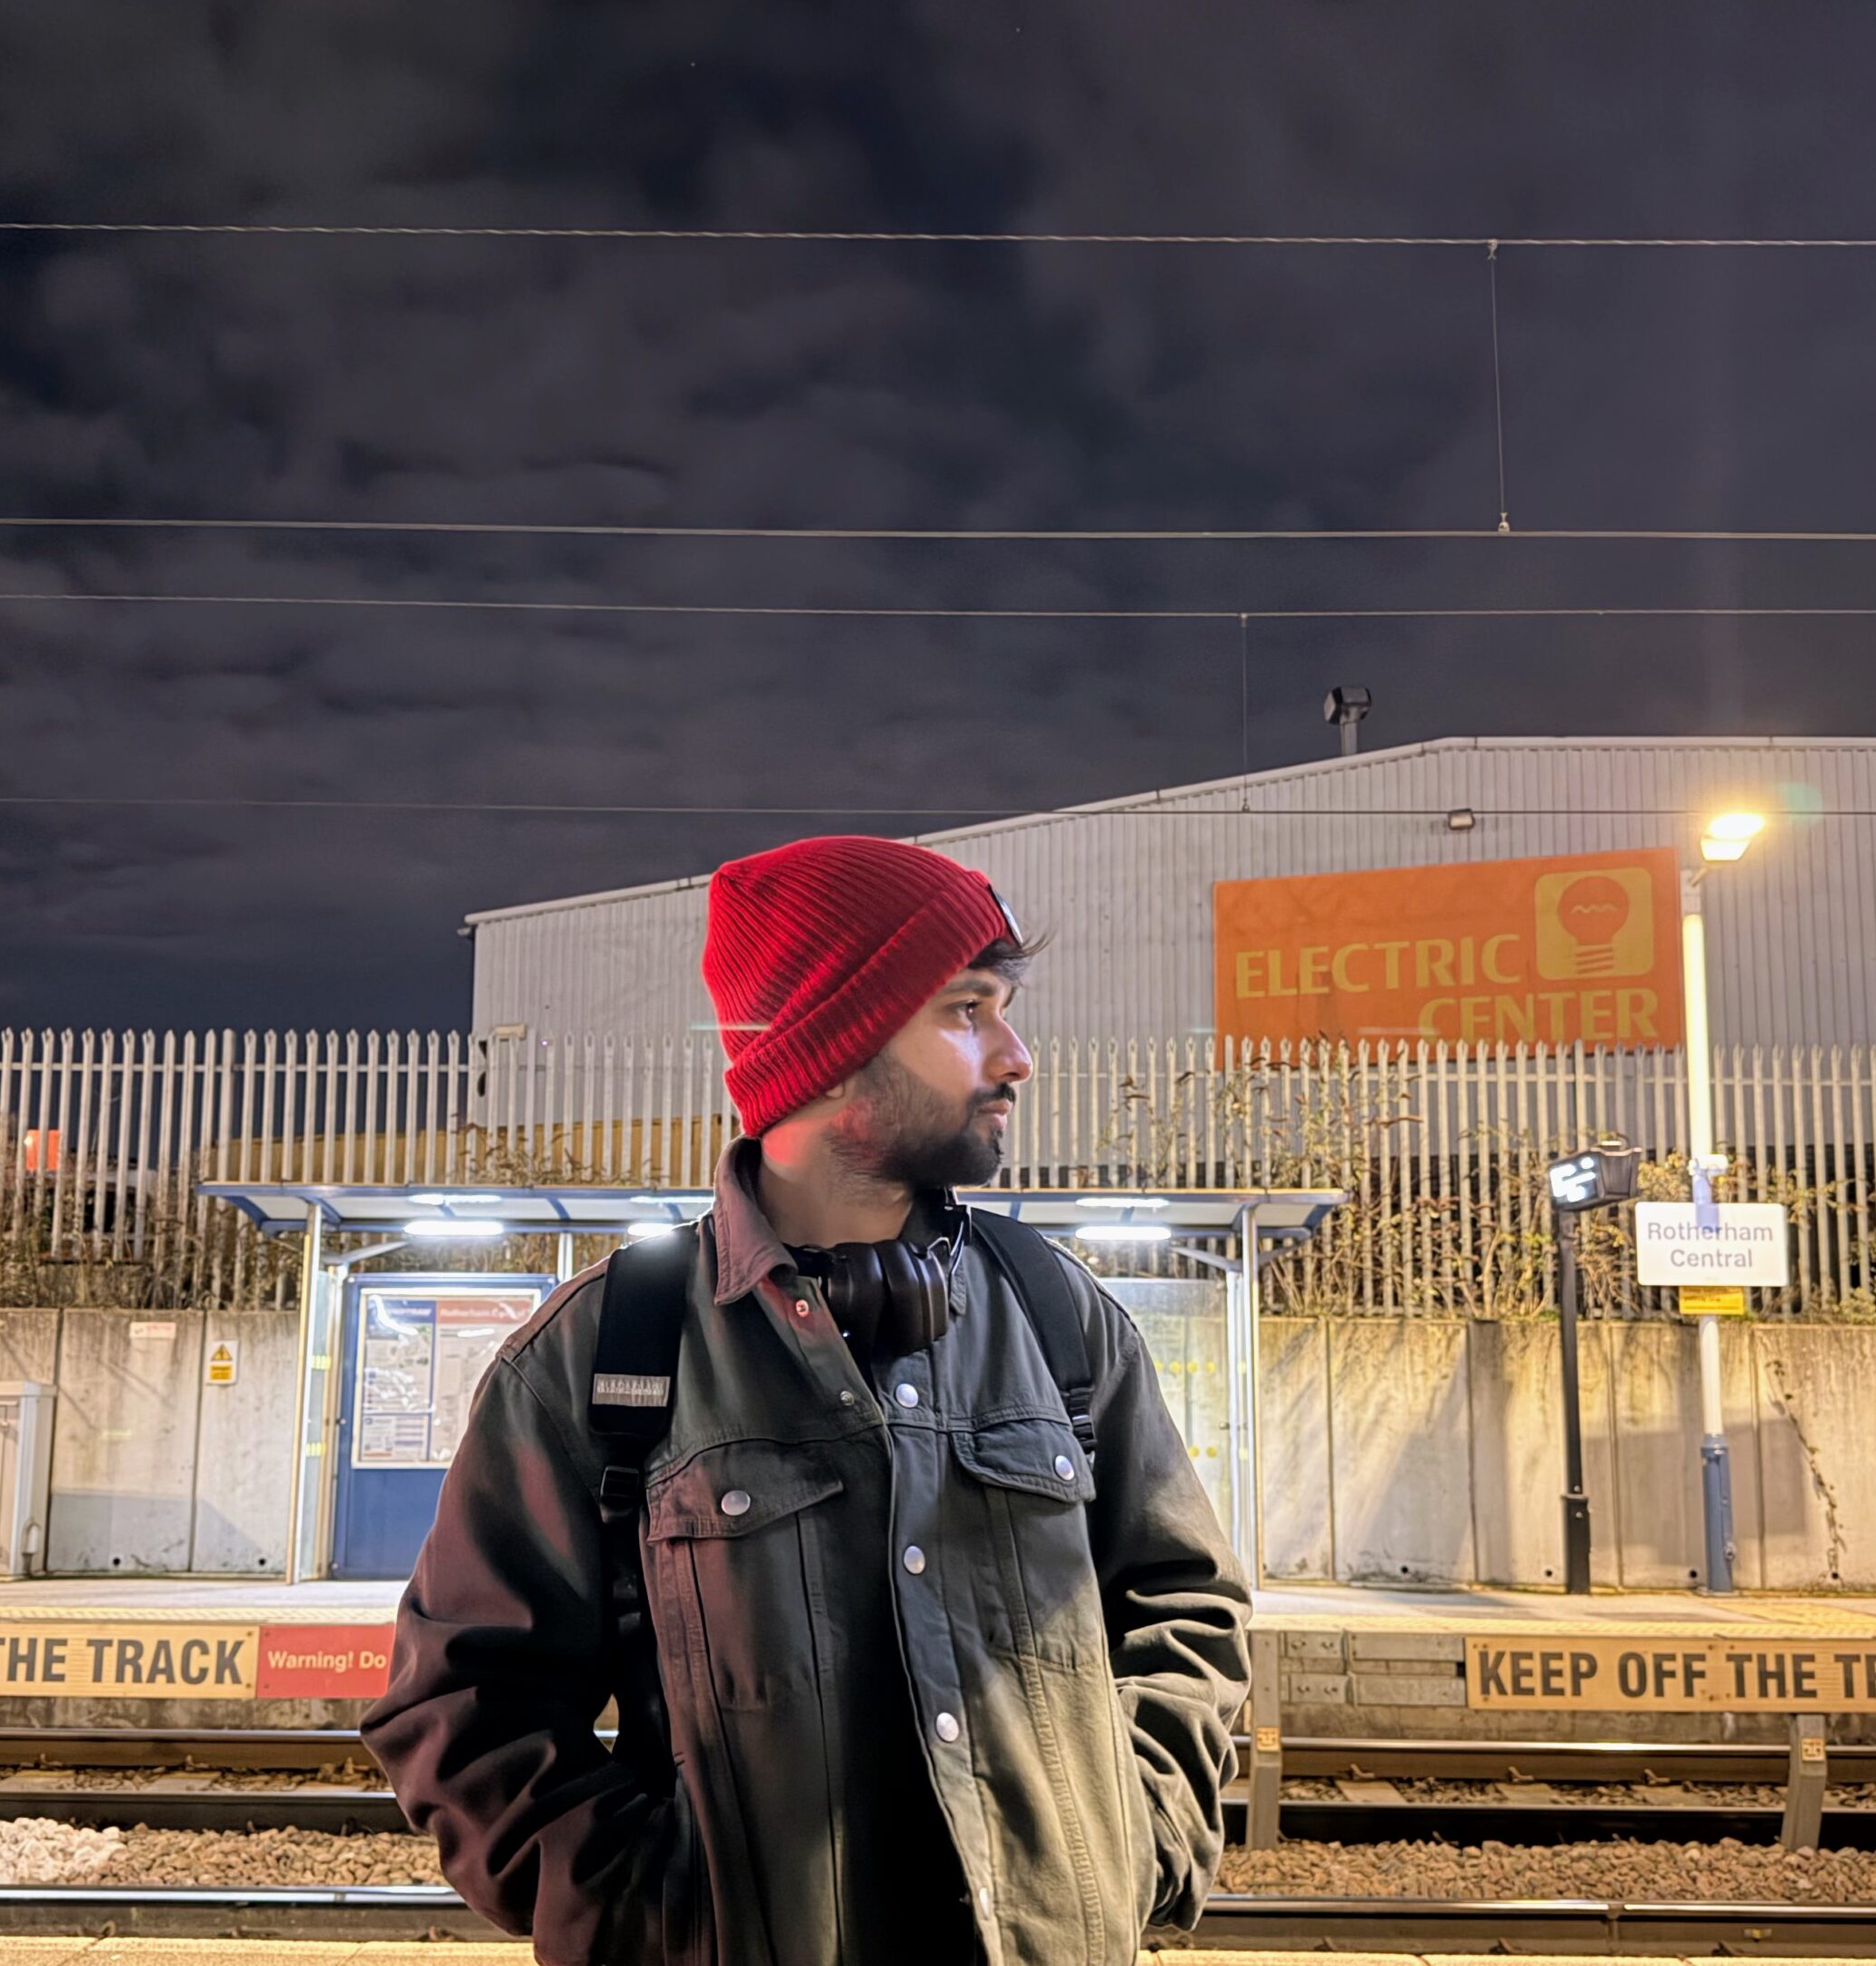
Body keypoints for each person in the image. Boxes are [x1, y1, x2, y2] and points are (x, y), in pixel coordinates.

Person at [364, 834, 1250, 1966]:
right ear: (832, 1042)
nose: (1017, 1054)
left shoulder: (1057, 1318)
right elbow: (460, 1704)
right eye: (966, 1008)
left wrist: (1138, 1845)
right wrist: (649, 1920)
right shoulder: (600, 1353)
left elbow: (1187, 1607)